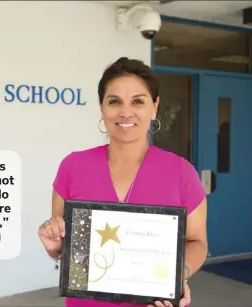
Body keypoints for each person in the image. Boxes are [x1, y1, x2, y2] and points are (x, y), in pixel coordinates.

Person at [37, 57, 208, 307]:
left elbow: (197, 241)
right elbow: (69, 246)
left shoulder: (182, 173)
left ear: (155, 107)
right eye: (114, 101)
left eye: (138, 101)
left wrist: (177, 276)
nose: (125, 112)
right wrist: (55, 247)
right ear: (101, 107)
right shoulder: (72, 167)